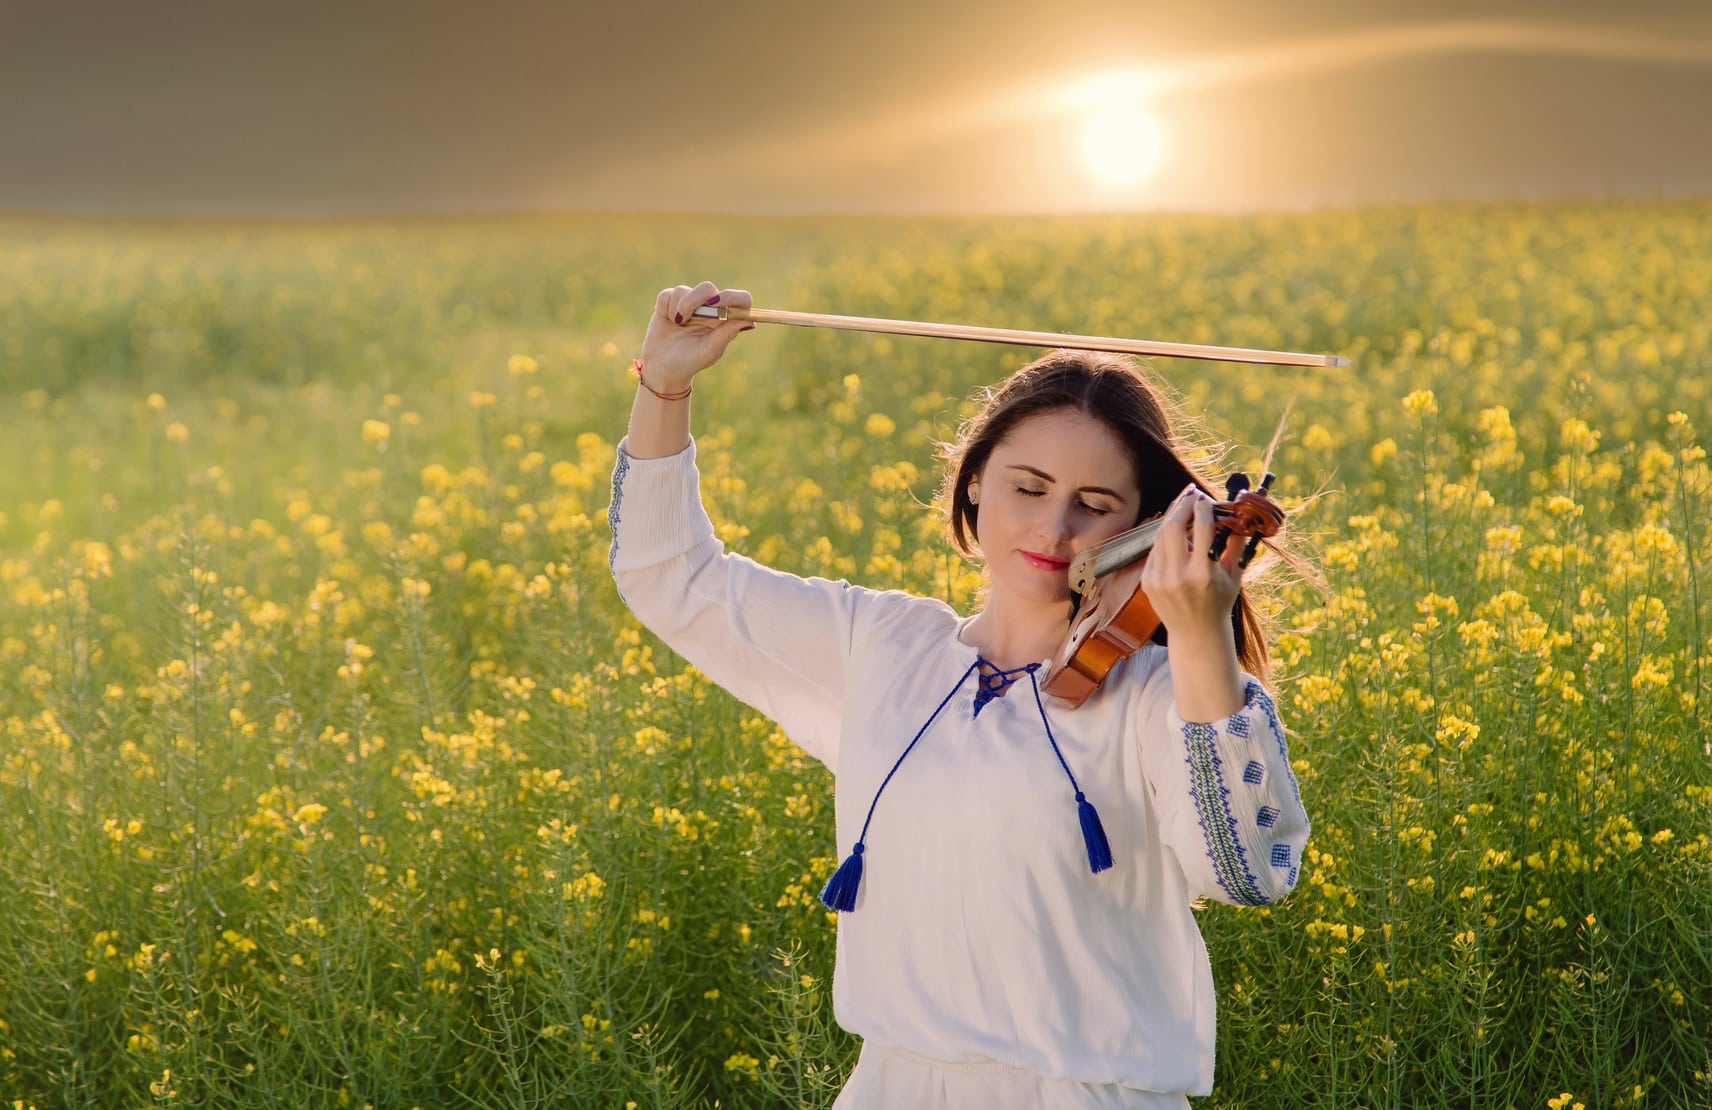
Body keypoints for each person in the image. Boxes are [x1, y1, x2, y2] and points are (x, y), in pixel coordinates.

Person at [607, 281, 1310, 1109]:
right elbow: (669, 577)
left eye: (1093, 505)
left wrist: (1199, 637)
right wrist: (664, 385)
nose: (1053, 530)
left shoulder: (1166, 693)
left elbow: (1247, 874)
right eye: (1028, 487)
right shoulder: (883, 645)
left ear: (1142, 526)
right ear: (974, 484)